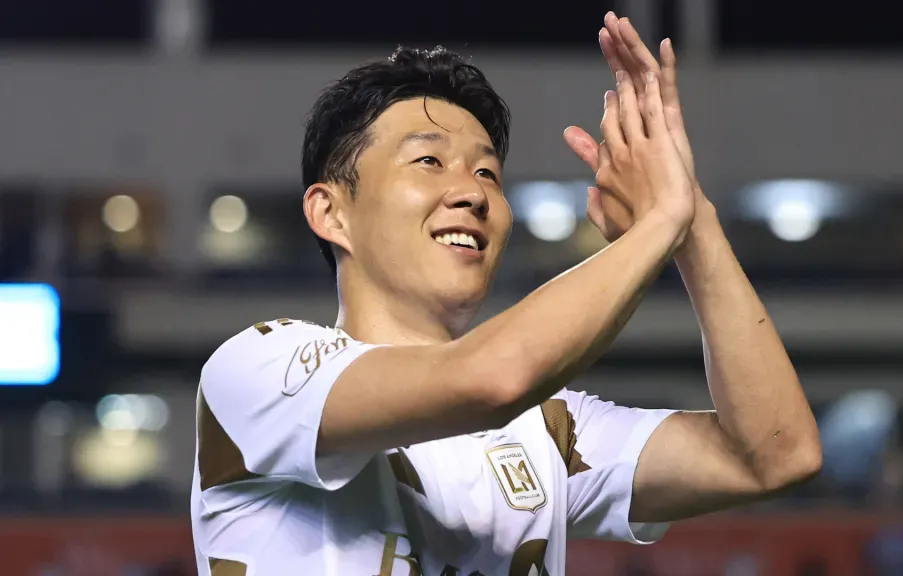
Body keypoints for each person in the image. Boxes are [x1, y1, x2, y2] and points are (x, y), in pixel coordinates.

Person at [190, 12, 821, 576]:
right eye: (429, 162)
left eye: (487, 171)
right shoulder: (258, 371)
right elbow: (492, 379)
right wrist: (659, 223)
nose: (472, 191)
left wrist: (693, 223)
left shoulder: (546, 427)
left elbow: (774, 454)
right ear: (331, 213)